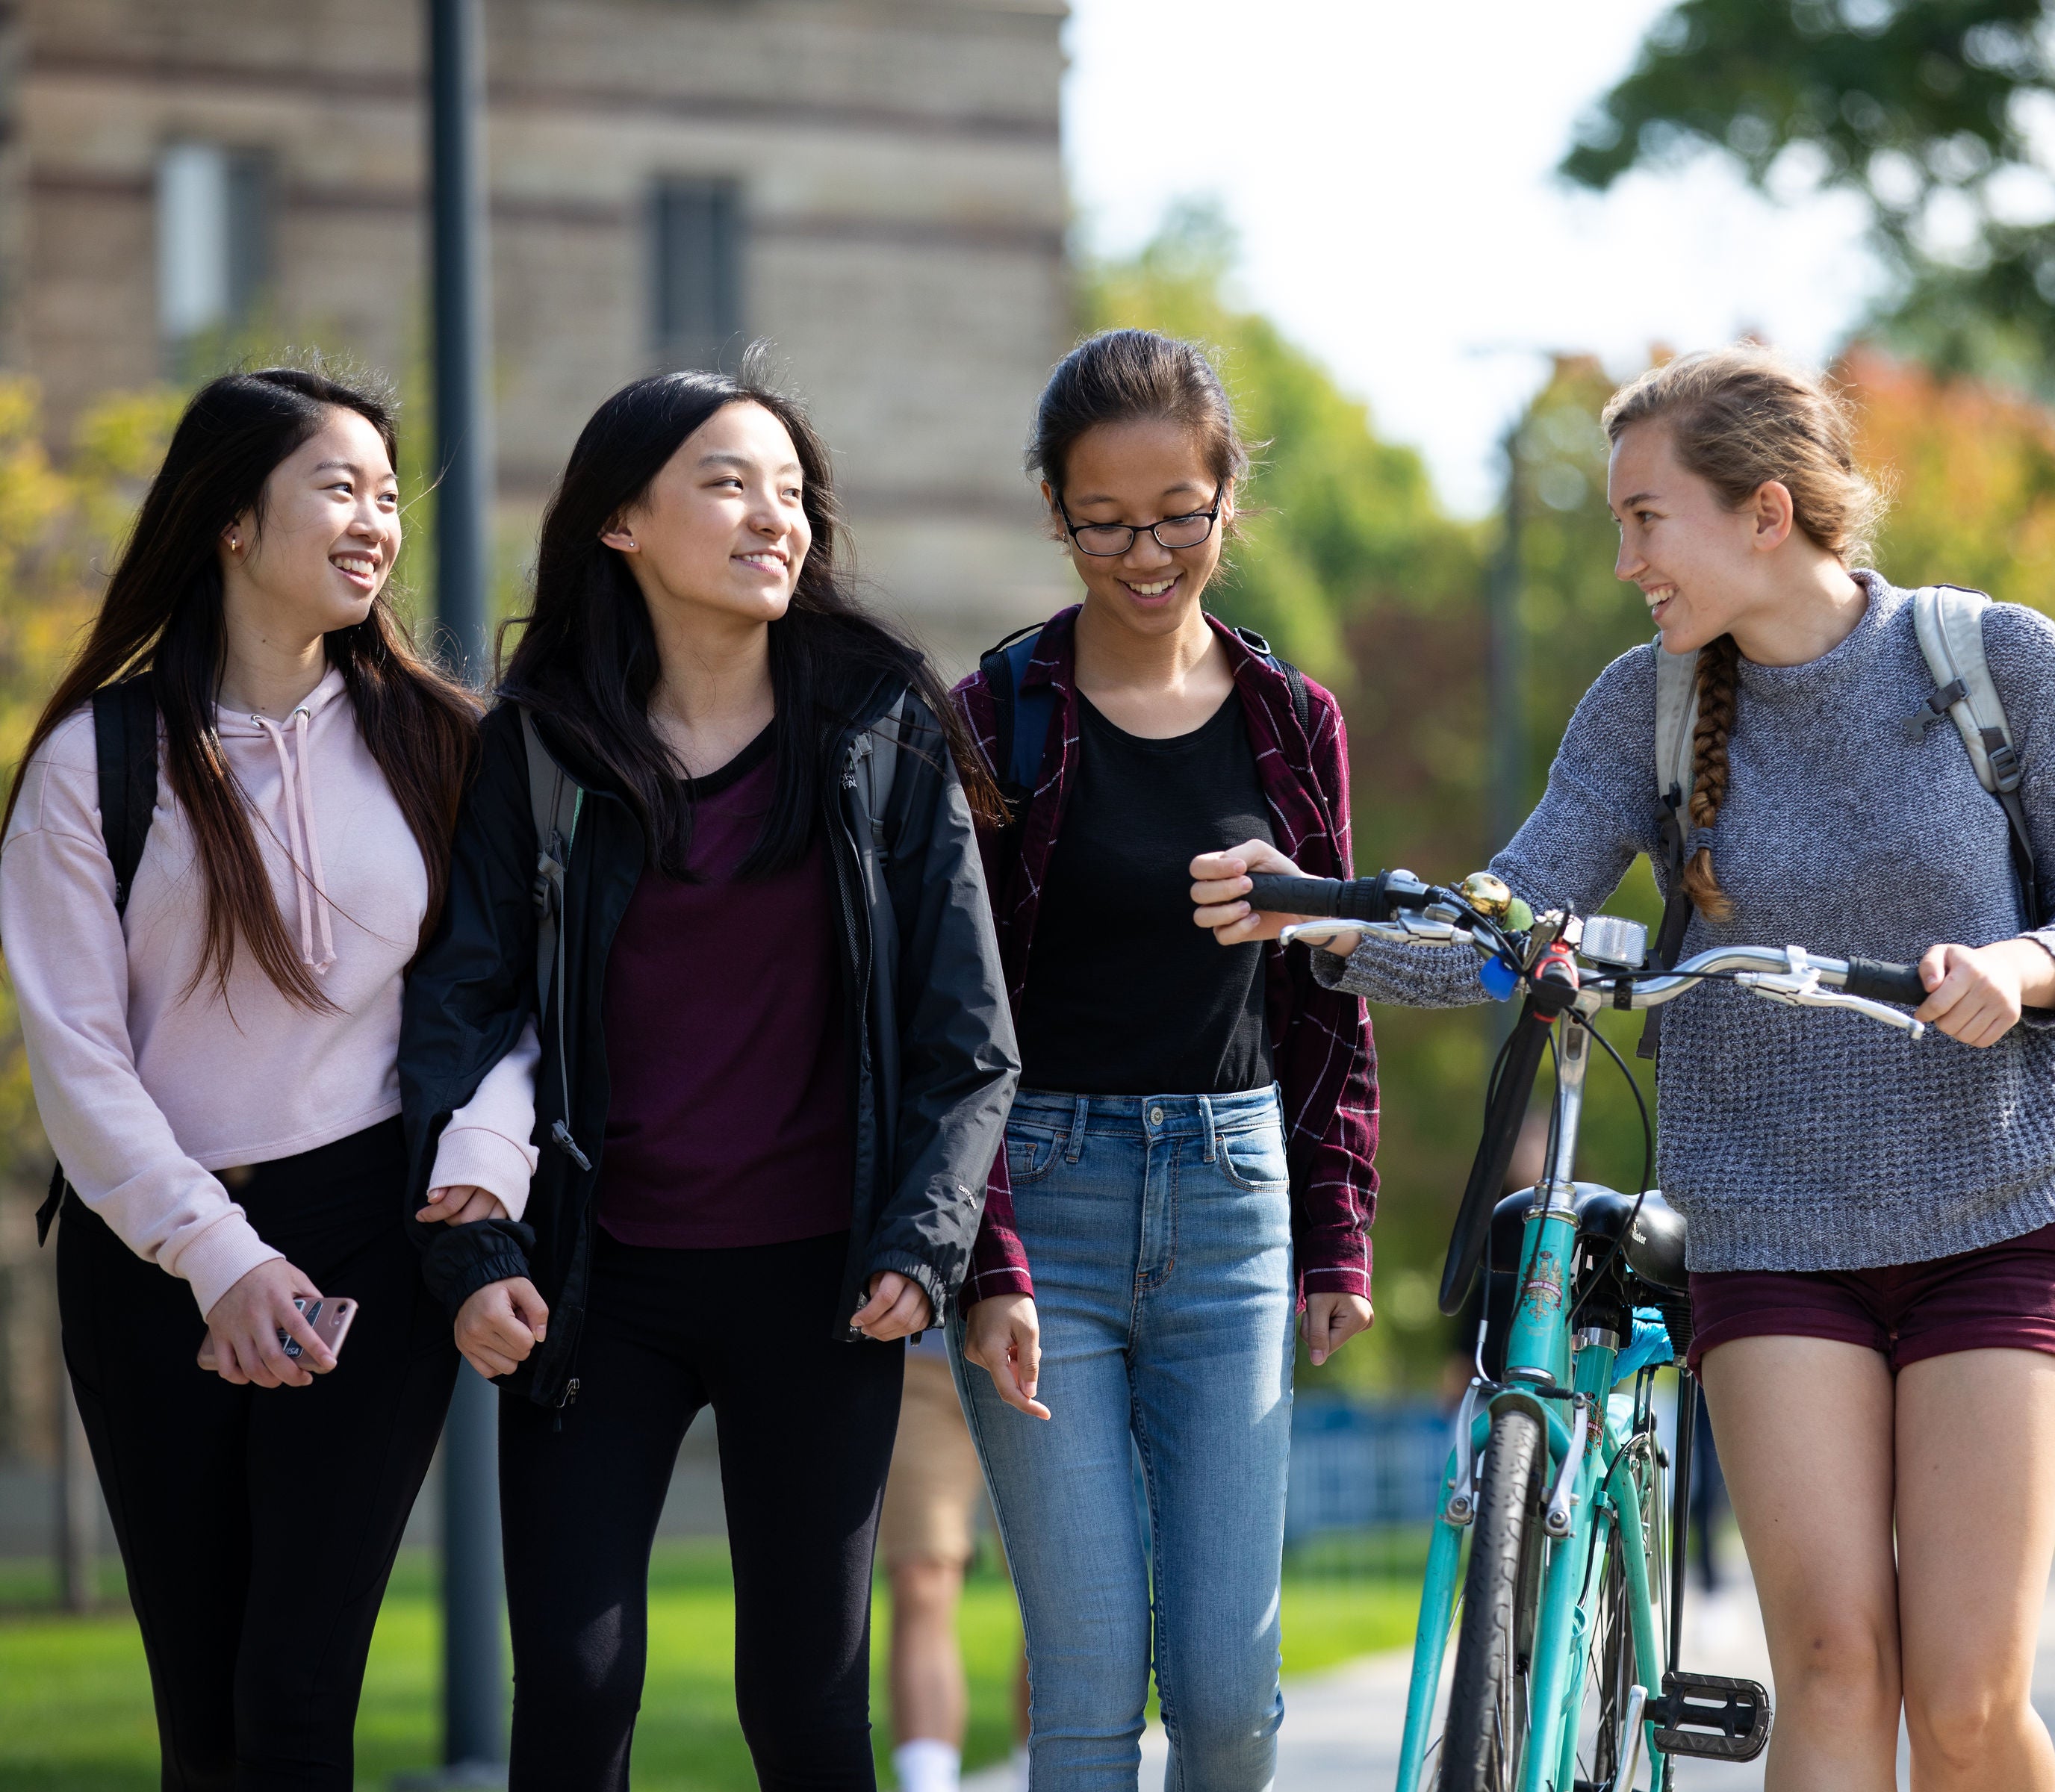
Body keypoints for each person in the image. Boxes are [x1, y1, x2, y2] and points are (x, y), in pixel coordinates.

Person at [1197, 345, 2055, 1792]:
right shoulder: (1644, 709)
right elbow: (1511, 924)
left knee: (1965, 1699)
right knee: (1833, 1659)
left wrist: (2022, 973)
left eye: (1649, 517)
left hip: (1998, 1215)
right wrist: (1319, 919)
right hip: (1768, 1228)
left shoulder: (1991, 663)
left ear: (1765, 514)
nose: (1628, 555)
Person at [394, 367, 1020, 1791]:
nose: (773, 520)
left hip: (822, 1282)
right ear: (622, 520)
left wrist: (927, 1246)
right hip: (593, 1282)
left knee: (805, 1711)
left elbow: (967, 1029)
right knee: (573, 1688)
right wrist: (473, 1253)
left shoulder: (878, 725)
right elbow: (461, 1007)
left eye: (792, 493)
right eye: (730, 484)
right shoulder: (540, 747)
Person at [1, 367, 478, 1789]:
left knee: (297, 1694)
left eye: (390, 496)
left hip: (367, 1245)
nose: (376, 523)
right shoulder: (99, 759)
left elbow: (502, 1009)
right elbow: (76, 1055)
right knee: (202, 1710)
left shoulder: (447, 746)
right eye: (340, 487)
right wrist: (218, 1261)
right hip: (148, 1246)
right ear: (228, 520)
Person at [950, 327, 1380, 1792]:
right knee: (1083, 1688)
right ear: (1055, 515)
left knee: (1229, 1694)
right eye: (1105, 522)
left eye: (1178, 517)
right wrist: (988, 1257)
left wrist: (1336, 1234)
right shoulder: (996, 717)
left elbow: (1328, 995)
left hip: (1233, 1202)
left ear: (1228, 501)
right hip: (1044, 1199)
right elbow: (958, 1020)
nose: (1146, 554)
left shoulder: (1291, 722)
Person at [882, 1326, 1029, 1792]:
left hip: (1041, 1362)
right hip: (919, 1355)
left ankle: (1040, 1776)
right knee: (920, 1580)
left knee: (1053, 1594)